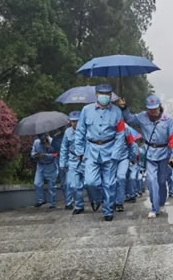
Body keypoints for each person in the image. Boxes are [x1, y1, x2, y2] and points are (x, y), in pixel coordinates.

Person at [118, 95, 173, 219]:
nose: (152, 111)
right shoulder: (142, 116)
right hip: (150, 153)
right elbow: (129, 119)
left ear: (159, 107)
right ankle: (154, 208)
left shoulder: (167, 119)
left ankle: (161, 203)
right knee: (152, 181)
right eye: (150, 109)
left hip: (164, 154)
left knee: (162, 181)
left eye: (155, 109)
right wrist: (124, 107)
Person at [74, 84, 126, 221]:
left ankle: (108, 210)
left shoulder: (117, 112)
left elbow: (121, 134)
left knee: (109, 183)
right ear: (96, 95)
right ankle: (96, 199)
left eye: (107, 94)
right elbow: (80, 131)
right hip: (91, 150)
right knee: (90, 182)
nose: (104, 96)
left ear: (110, 96)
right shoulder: (86, 110)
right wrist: (79, 150)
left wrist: (116, 153)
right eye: (102, 94)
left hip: (110, 149)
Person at [60, 111, 88, 214]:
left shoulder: (86, 130)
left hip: (85, 159)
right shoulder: (67, 132)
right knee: (73, 185)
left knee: (90, 183)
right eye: (72, 121)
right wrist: (62, 163)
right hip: (72, 160)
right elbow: (64, 148)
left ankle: (96, 199)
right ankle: (79, 205)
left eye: (77, 121)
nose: (74, 123)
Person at [114, 124, 141, 212]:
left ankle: (119, 203)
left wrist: (132, 158)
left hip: (123, 158)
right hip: (109, 158)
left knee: (121, 178)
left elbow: (131, 144)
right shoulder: (104, 127)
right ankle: (110, 201)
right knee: (109, 181)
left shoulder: (125, 129)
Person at [31, 133, 59, 208]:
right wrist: (35, 155)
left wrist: (48, 151)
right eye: (39, 136)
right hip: (40, 165)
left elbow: (56, 154)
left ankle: (52, 203)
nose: (40, 137)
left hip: (50, 165)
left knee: (51, 186)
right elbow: (32, 153)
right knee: (37, 183)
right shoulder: (36, 142)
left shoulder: (53, 141)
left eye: (42, 135)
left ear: (46, 134)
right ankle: (41, 200)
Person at [51, 127, 73, 209]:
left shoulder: (70, 134)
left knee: (68, 182)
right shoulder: (56, 137)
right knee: (63, 184)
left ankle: (69, 202)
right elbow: (52, 150)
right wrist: (47, 146)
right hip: (59, 161)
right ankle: (68, 200)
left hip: (70, 160)